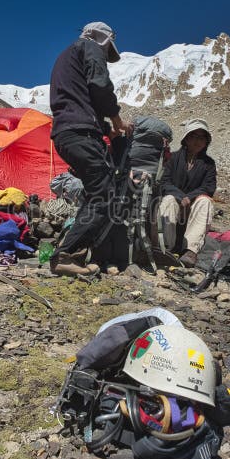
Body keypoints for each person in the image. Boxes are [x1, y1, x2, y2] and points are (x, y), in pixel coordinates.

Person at [48, 21, 132, 276]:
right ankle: (65, 255)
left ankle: (75, 255)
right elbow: (100, 85)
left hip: (67, 132)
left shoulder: (66, 57)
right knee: (104, 194)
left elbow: (80, 103)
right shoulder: (90, 47)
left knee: (96, 191)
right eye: (108, 50)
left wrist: (107, 130)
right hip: (81, 135)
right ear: (103, 39)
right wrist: (117, 119)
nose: (106, 56)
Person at [157, 118, 216, 267]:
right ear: (186, 138)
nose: (197, 141)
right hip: (175, 206)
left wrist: (189, 198)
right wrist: (180, 197)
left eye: (202, 138)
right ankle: (165, 249)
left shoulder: (209, 164)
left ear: (206, 141)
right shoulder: (173, 158)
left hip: (193, 208)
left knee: (205, 201)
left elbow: (209, 187)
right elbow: (165, 182)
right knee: (169, 199)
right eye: (194, 136)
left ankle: (191, 251)